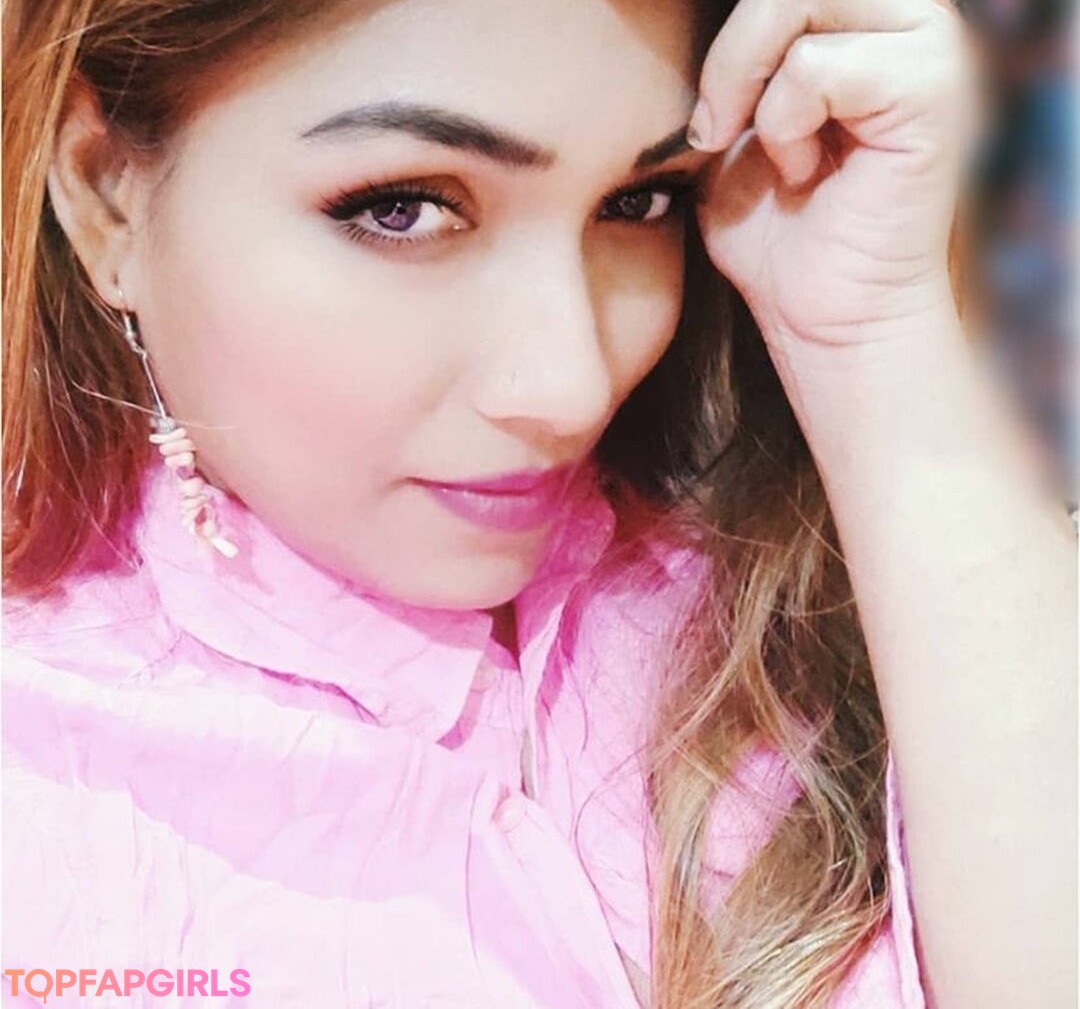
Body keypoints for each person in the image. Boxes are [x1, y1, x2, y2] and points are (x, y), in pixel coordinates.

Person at [2, 0, 1074, 1007]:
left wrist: (875, 336)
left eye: (638, 203)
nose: (571, 385)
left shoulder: (789, 619)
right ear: (105, 193)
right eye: (403, 208)